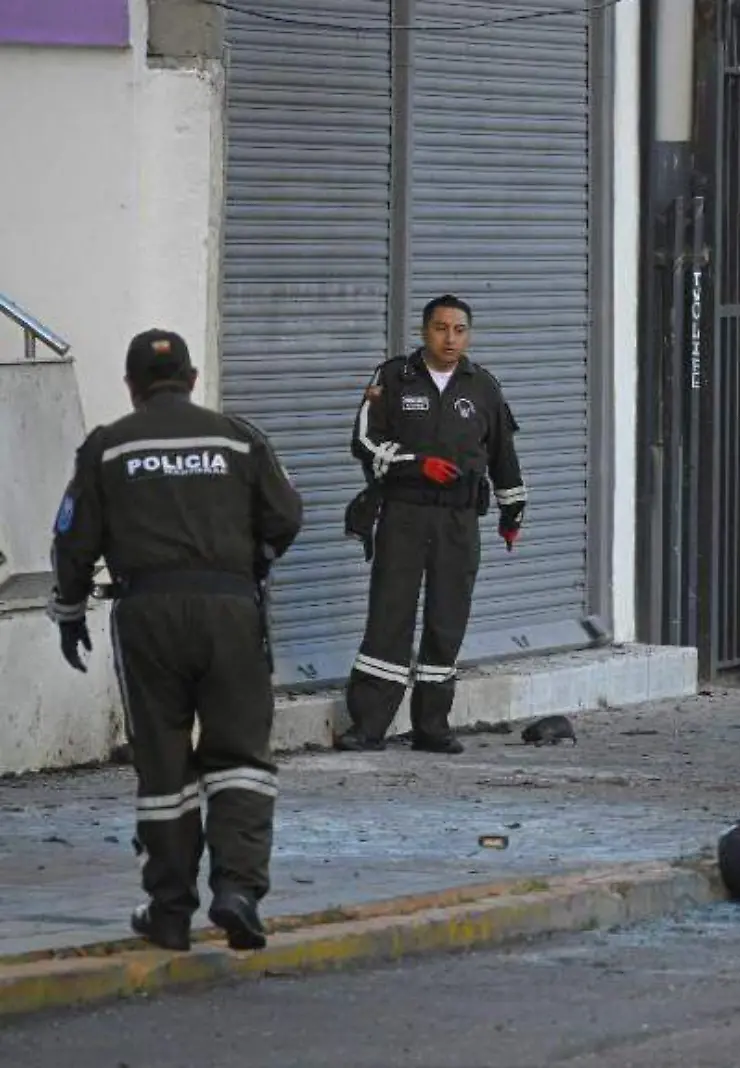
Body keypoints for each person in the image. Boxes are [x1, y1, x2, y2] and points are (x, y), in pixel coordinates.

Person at [46, 328, 305, 952]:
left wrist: (70, 611)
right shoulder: (237, 438)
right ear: (192, 380)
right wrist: (251, 567)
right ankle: (238, 891)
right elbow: (287, 514)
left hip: (148, 616)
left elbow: (72, 540)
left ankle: (169, 911)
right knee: (241, 757)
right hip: (230, 611)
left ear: (132, 387)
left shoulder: (107, 449)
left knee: (163, 764)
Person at [335, 294, 527, 755]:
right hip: (404, 513)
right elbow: (363, 439)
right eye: (441, 328)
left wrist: (511, 511)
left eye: (459, 329)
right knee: (389, 616)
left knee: (447, 620)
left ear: (469, 334)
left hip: (458, 521)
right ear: (424, 331)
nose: (450, 338)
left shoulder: (483, 386)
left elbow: (503, 454)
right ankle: (368, 726)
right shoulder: (393, 378)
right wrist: (415, 464)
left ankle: (432, 725)